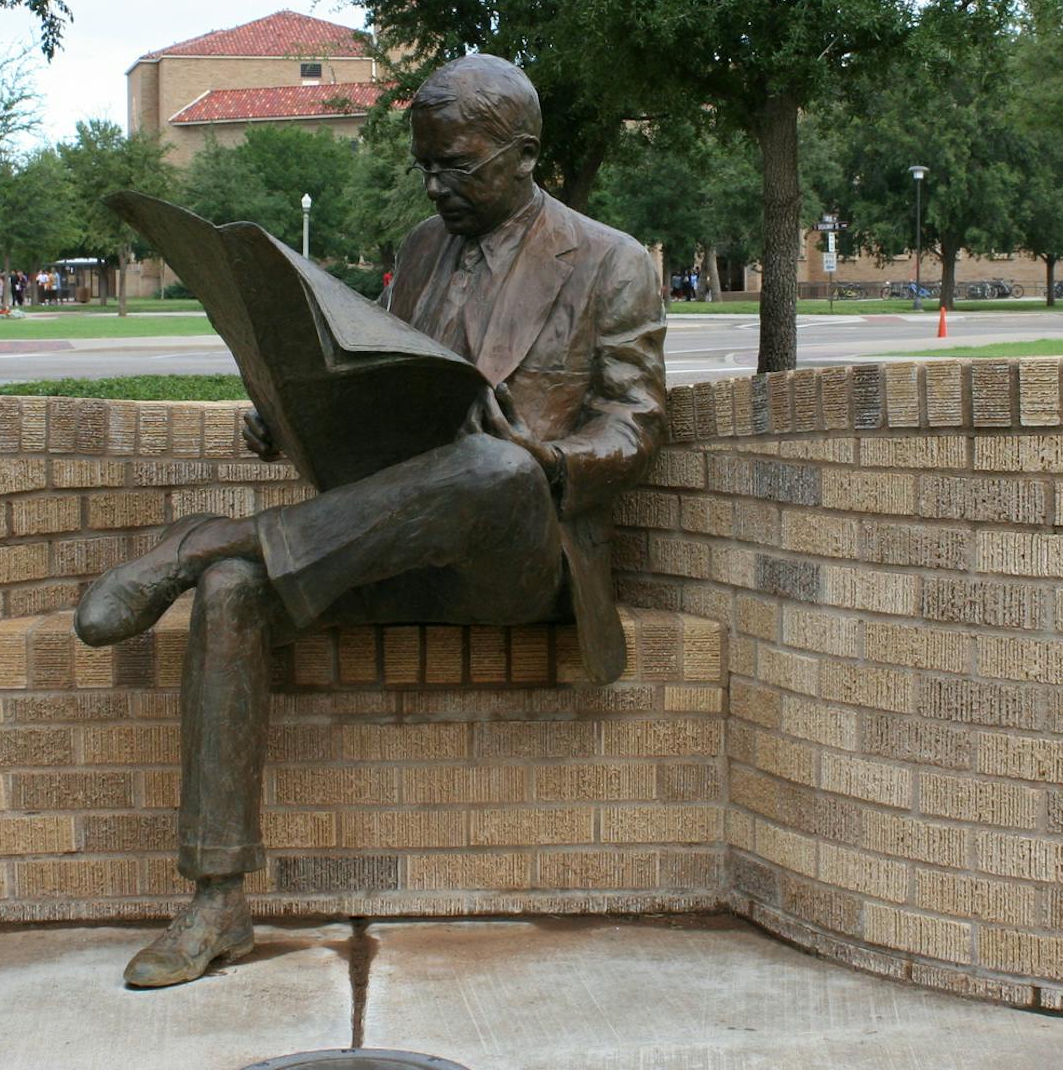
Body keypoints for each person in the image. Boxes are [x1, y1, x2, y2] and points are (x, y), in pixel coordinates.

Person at [73, 54, 668, 989]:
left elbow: (634, 425)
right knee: (234, 594)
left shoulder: (611, 260)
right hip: (397, 542)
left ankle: (209, 535)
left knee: (495, 464)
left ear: (523, 153)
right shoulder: (423, 248)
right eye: (426, 165)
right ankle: (217, 900)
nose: (437, 186)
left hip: (520, 556)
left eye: (458, 166)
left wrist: (553, 455)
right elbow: (390, 381)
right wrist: (297, 405)